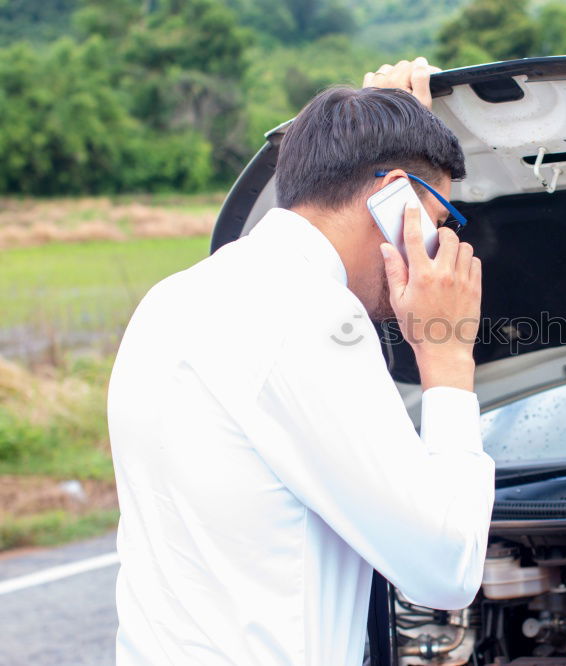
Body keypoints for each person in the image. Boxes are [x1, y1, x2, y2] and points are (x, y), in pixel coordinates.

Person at [107, 58, 495, 665]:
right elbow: (446, 569)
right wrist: (445, 352)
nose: (436, 250)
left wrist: (384, 123)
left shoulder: (173, 299)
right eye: (438, 223)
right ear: (395, 201)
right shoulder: (312, 317)